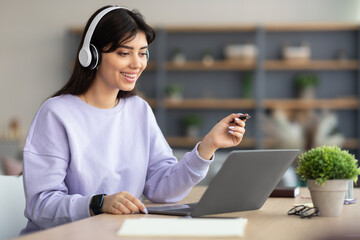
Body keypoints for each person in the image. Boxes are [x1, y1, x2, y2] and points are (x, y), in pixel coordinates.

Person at [20, 5, 247, 235]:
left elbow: (163, 189)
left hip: (117, 233)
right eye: (124, 53)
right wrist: (99, 203)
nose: (137, 63)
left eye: (142, 52)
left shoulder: (139, 109)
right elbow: (41, 205)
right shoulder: (57, 113)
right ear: (92, 56)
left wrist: (209, 145)